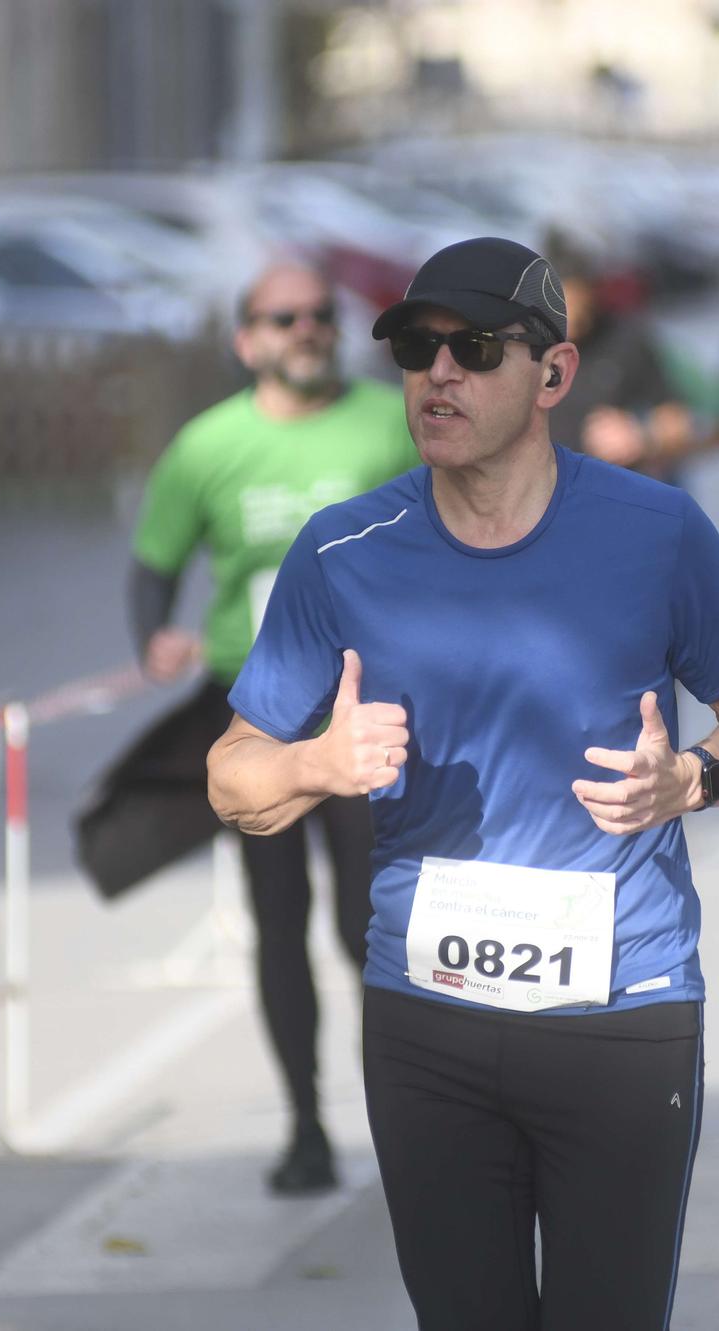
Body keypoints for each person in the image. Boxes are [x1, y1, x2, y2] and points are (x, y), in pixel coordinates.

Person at [206, 237, 719, 1329]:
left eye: (474, 348)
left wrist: (692, 776)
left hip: (620, 1012)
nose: (438, 372)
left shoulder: (654, 531)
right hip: (425, 1021)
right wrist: (312, 763)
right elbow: (230, 775)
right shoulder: (344, 552)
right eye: (416, 348)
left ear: (553, 375)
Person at [128, 261, 420, 1194]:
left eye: (321, 316)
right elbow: (153, 563)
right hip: (254, 714)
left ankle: (405, 1116)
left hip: (364, 710)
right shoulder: (208, 446)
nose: (307, 330)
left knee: (365, 920)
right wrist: (155, 636)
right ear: (246, 338)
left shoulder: (387, 423)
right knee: (278, 917)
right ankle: (303, 1124)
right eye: (284, 317)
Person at [547, 250, 695, 480]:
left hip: (606, 493)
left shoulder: (624, 340)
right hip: (539, 497)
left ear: (591, 294)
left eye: (574, 301)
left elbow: (678, 424)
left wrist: (640, 436)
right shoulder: (526, 344)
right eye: (556, 302)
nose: (568, 314)